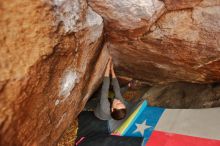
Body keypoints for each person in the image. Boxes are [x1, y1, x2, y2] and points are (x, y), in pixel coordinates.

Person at [75, 58, 144, 146]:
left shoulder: (104, 107)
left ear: (112, 109)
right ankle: (128, 85)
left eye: (119, 104)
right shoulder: (117, 104)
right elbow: (117, 89)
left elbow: (105, 87)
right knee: (117, 94)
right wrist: (113, 71)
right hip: (107, 109)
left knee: (99, 96)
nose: (120, 101)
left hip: (96, 112)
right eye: (122, 104)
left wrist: (107, 68)